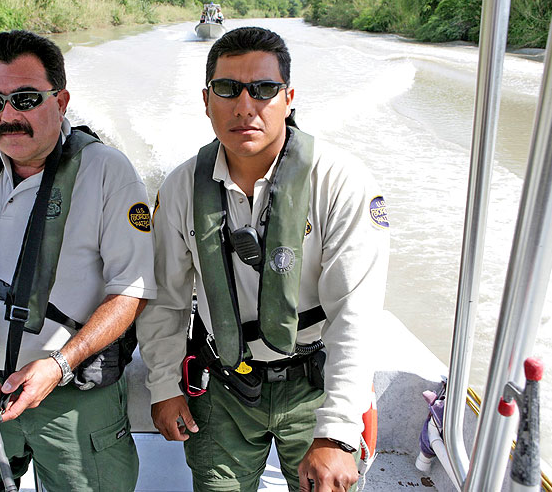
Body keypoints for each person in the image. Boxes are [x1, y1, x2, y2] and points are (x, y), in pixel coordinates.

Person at [137, 26, 389, 492]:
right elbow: (167, 301)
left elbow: (356, 315)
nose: (245, 106)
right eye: (227, 89)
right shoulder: (179, 190)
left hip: (315, 383)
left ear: (288, 98)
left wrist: (336, 431)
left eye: (264, 89)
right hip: (223, 385)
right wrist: (165, 387)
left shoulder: (341, 182)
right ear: (207, 99)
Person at [0, 30, 156, 491]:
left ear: (60, 101)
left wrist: (59, 364)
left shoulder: (108, 172)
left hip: (71, 398)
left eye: (25, 99)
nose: (8, 116)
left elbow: (132, 291)